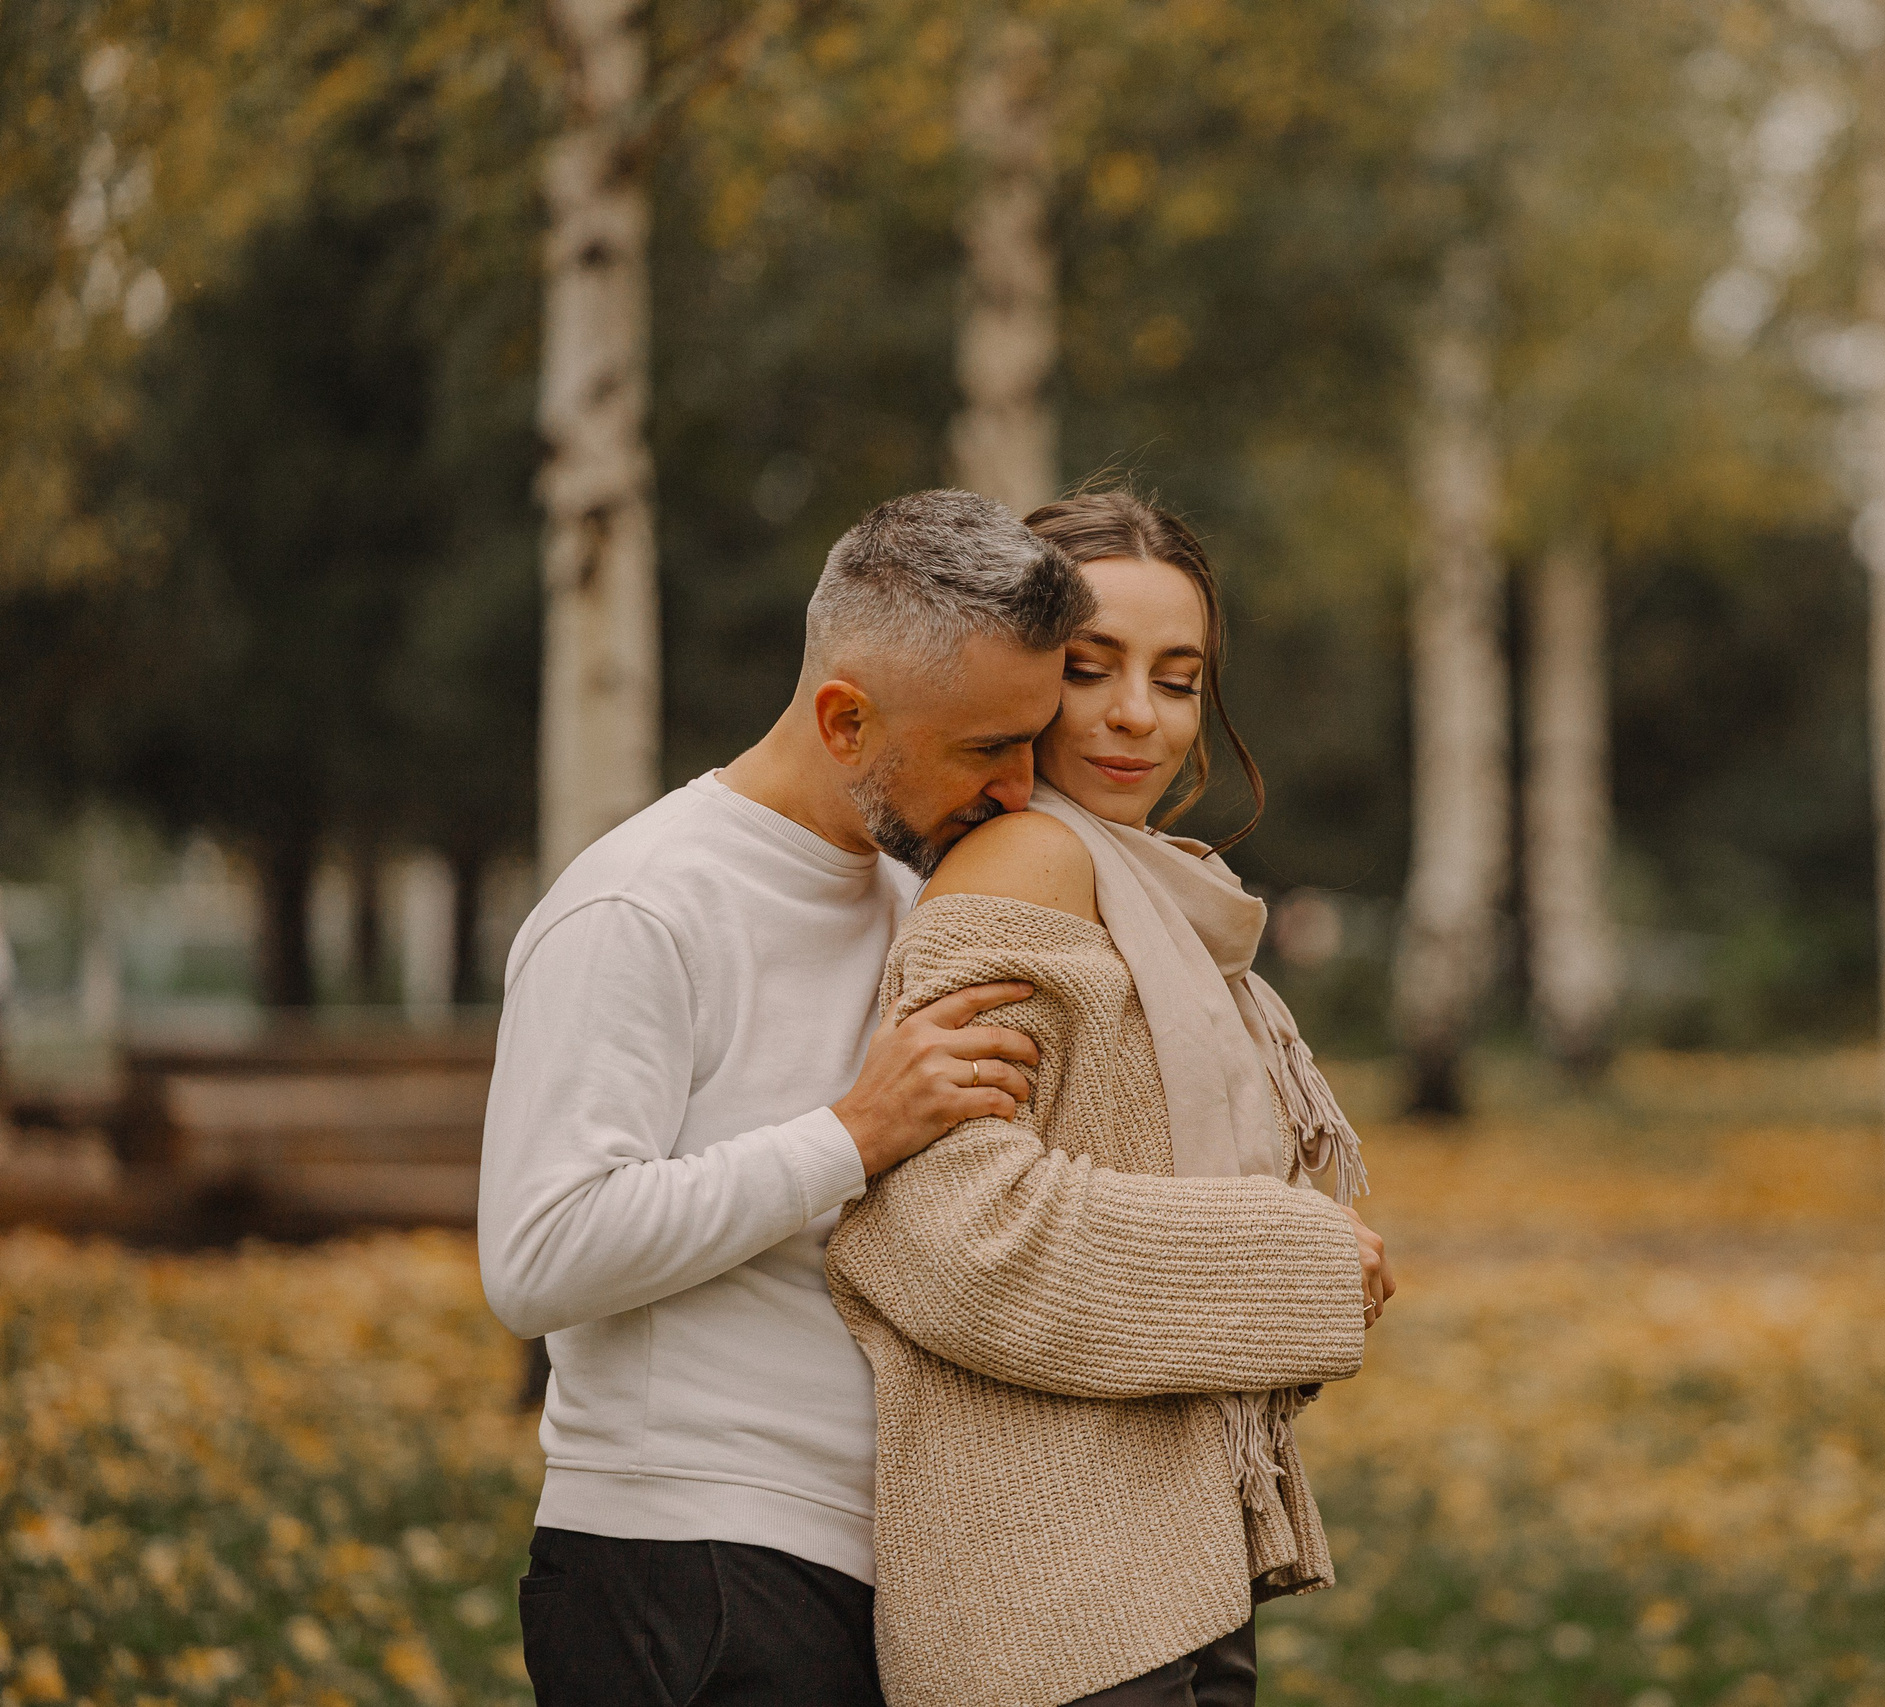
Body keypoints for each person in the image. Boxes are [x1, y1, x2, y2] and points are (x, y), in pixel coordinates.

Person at [479, 490, 1097, 1705]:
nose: (1022, 789)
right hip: (687, 1572)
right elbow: (537, 1255)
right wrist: (850, 1134)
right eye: (986, 749)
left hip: (878, 1573)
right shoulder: (641, 905)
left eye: (1033, 740)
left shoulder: (916, 901)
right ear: (845, 717)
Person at [825, 490, 1396, 1707]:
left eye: (1178, 679)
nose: (1139, 714)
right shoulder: (1027, 861)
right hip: (1050, 1603)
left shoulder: (1157, 894)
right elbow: (953, 1235)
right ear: (1024, 673)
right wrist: (1293, 1261)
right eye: (1092, 670)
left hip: (1154, 1559)